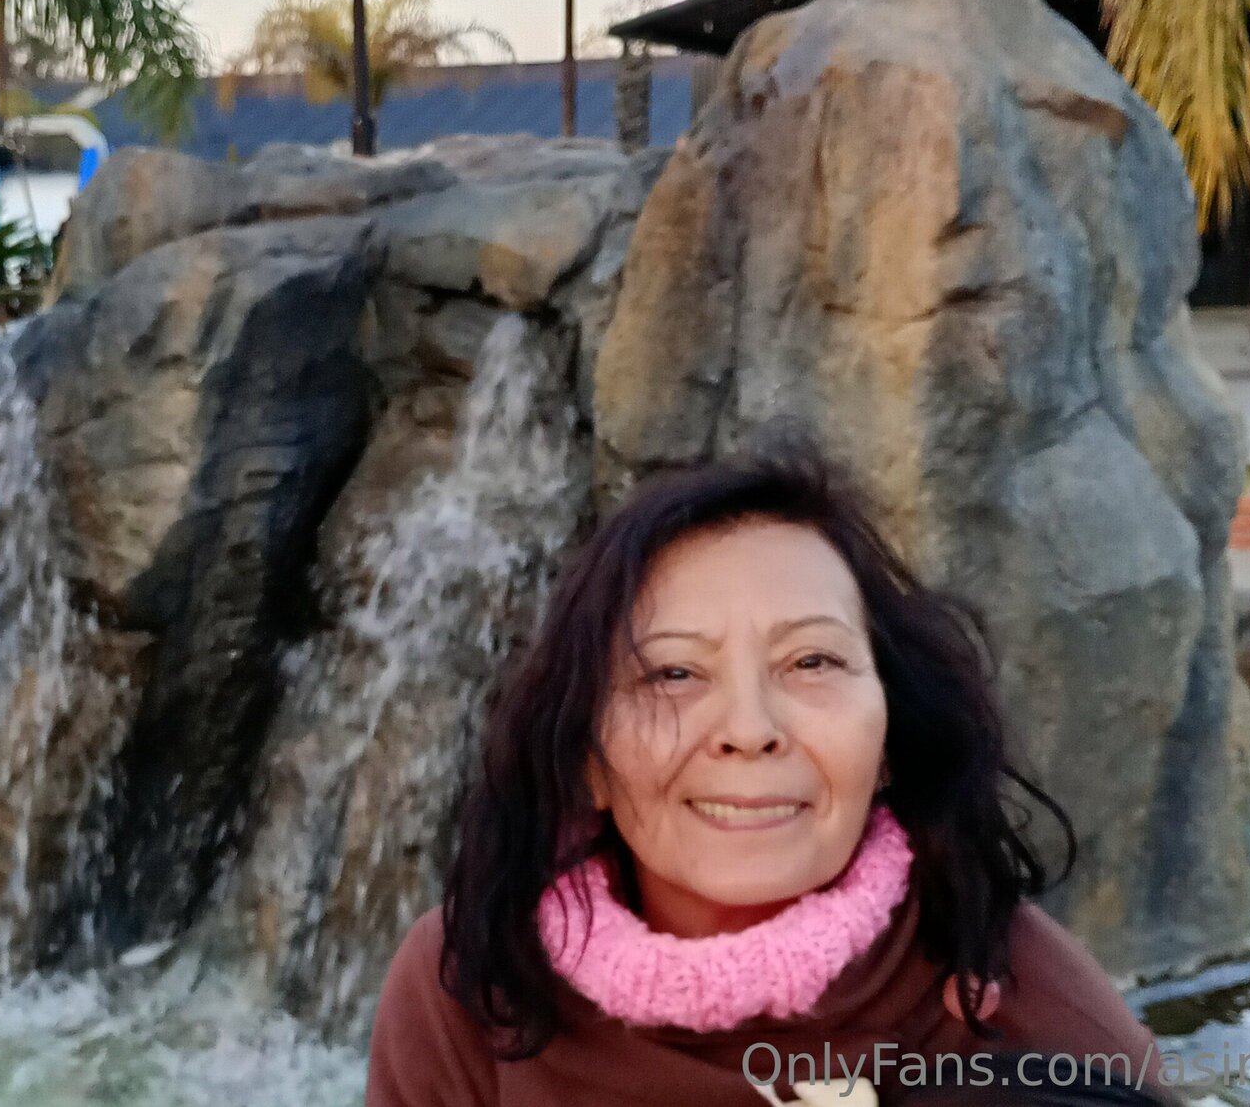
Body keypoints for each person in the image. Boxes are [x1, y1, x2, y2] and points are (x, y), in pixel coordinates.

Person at [366, 447, 1177, 1107]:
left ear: (889, 739)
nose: (750, 730)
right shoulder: (474, 981)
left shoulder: (1023, 1004)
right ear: (589, 760)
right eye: (673, 674)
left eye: (811, 661)